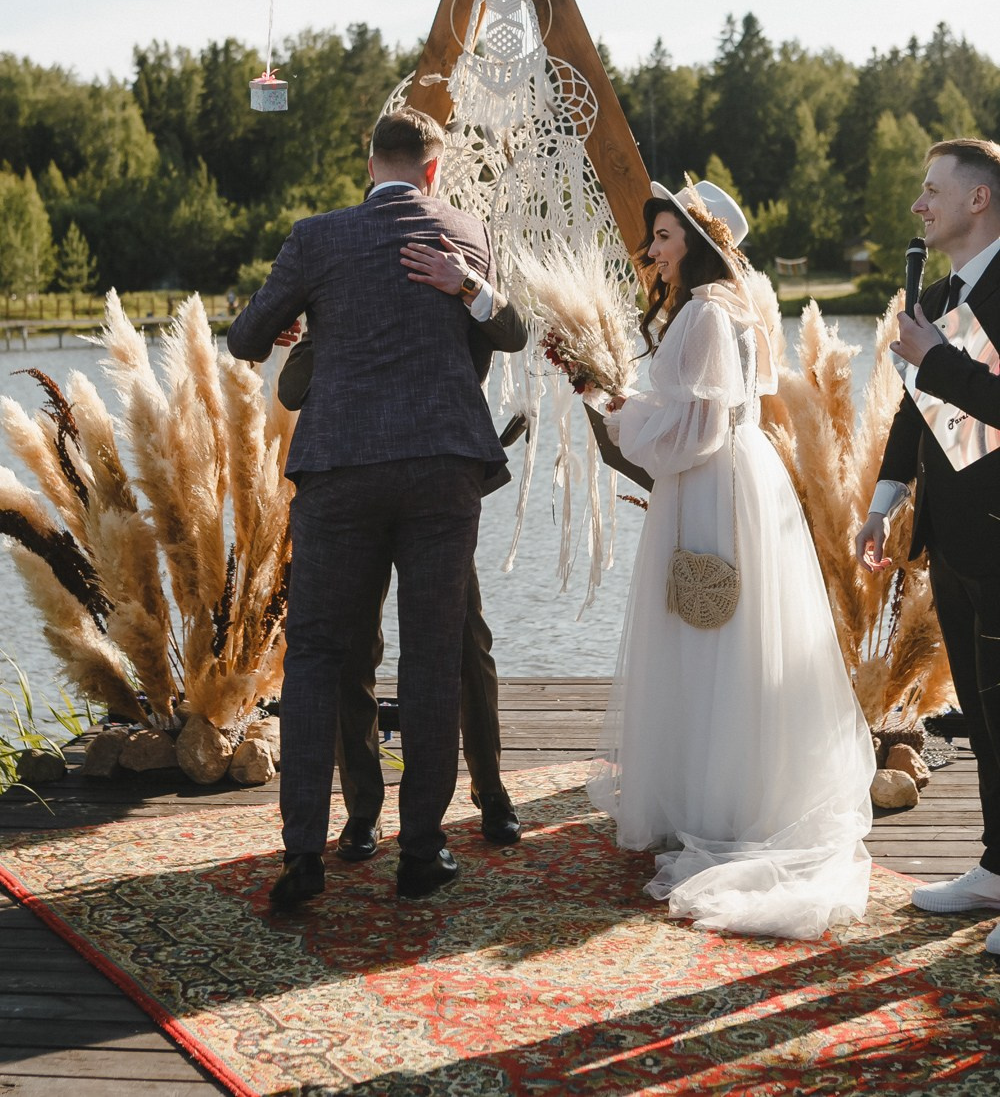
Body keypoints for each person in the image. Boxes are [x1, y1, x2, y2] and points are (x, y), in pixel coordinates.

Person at [228, 107, 509, 906]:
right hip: (442, 469)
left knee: (316, 655)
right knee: (430, 657)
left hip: (341, 472)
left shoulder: (317, 237)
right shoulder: (466, 230)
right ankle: (420, 856)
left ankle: (302, 862)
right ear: (431, 167)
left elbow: (247, 339)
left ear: (371, 160)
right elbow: (479, 349)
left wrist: (305, 325)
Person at [587, 178, 875, 940]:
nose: (652, 249)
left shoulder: (710, 315)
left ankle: (723, 806)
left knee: (710, 625)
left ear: (700, 242)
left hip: (714, 483)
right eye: (653, 237)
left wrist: (618, 407)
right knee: (715, 632)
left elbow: (700, 427)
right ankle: (711, 792)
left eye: (665, 237)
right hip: (725, 480)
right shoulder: (718, 309)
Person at [275, 271, 528, 860]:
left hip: (436, 495)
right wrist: (320, 325)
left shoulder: (454, 274)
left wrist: (468, 289)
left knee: (466, 644)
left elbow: (508, 333)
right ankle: (364, 809)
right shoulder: (337, 293)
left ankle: (490, 791)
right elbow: (292, 388)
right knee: (352, 653)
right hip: (354, 497)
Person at [855, 138, 1000, 957]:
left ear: (979, 199)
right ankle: (995, 868)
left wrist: (936, 358)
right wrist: (885, 504)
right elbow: (919, 409)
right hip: (957, 539)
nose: (919, 204)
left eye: (931, 189)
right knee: (982, 717)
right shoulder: (942, 293)